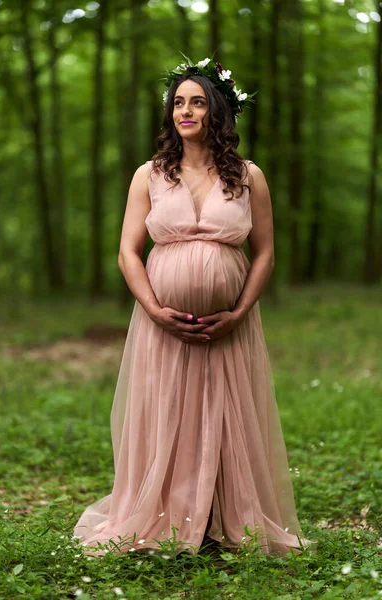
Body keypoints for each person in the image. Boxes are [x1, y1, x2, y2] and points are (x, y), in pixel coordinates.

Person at [73, 56, 317, 558]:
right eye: (178, 102)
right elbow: (127, 252)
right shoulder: (150, 175)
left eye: (198, 102)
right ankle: (167, 515)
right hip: (161, 324)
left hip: (229, 325)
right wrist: (154, 308)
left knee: (225, 418)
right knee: (168, 415)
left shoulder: (249, 176)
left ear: (218, 112)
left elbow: (266, 252)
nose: (186, 111)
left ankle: (218, 518)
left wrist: (240, 312)